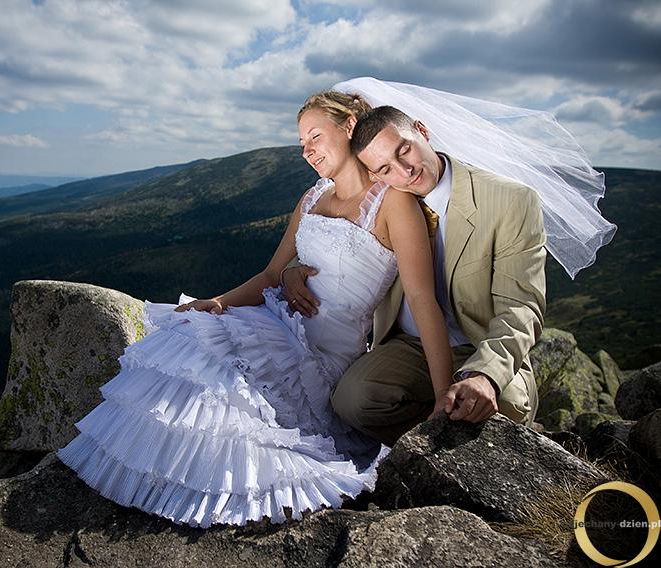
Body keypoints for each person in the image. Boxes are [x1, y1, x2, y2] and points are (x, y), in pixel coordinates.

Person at [56, 89, 454, 527]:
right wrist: (220, 302)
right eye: (303, 143)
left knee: (229, 404)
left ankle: (197, 485)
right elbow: (270, 274)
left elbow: (422, 300)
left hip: (320, 355)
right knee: (190, 338)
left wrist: (442, 400)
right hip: (275, 322)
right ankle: (158, 469)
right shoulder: (311, 198)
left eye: (315, 137)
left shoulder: (392, 202)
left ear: (350, 127)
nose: (307, 151)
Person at [282, 77, 616, 446]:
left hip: (478, 345)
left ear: (422, 131)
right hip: (408, 346)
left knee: (486, 407)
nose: (403, 171)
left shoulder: (509, 201)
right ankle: (422, 449)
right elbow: (341, 251)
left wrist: (486, 375)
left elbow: (522, 309)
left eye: (404, 150)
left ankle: (463, 438)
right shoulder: (386, 199)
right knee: (352, 401)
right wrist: (291, 271)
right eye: (384, 169)